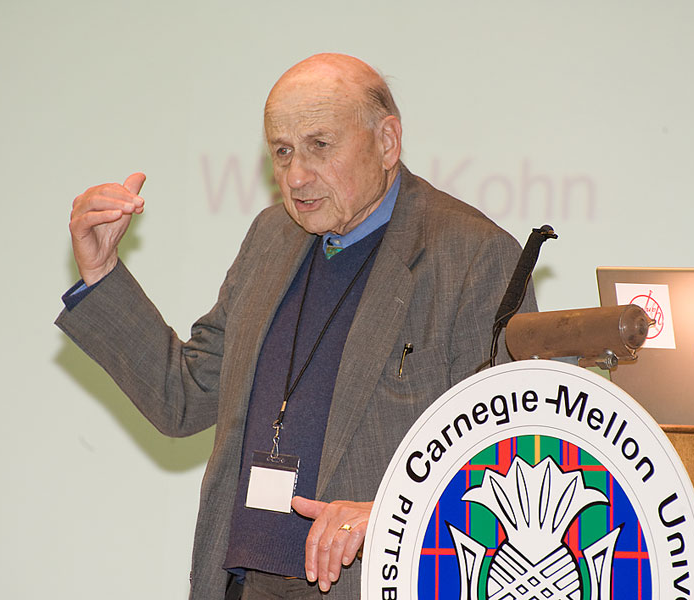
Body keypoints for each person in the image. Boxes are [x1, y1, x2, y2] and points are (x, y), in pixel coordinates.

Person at [56, 53, 536, 599]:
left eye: (320, 146)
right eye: (282, 153)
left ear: (387, 142)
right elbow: (186, 397)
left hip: (372, 581)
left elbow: (514, 456)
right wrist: (101, 274)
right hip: (244, 583)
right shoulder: (272, 238)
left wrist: (389, 512)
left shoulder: (473, 257)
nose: (297, 175)